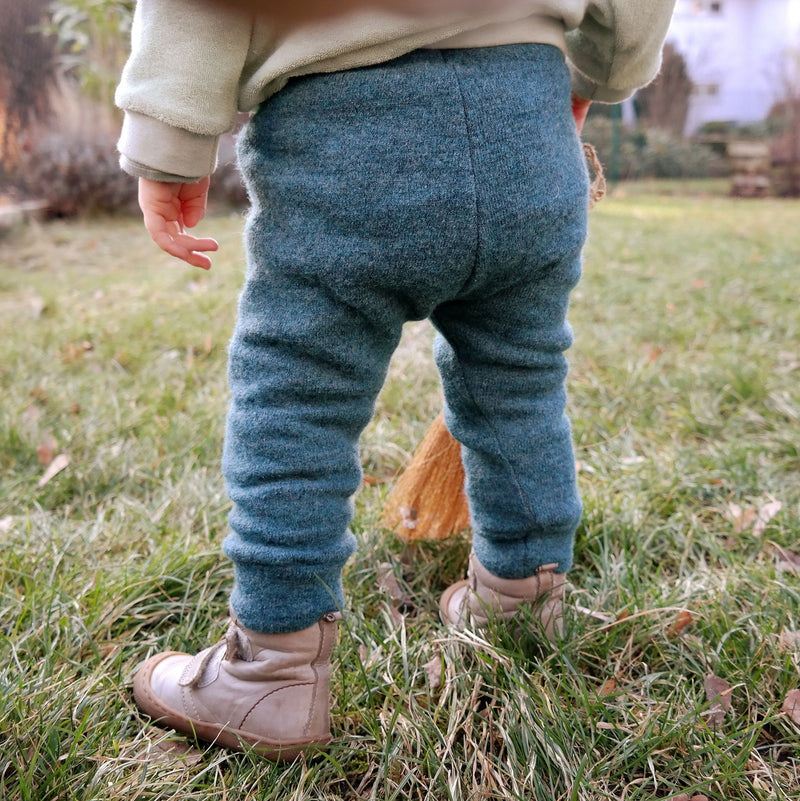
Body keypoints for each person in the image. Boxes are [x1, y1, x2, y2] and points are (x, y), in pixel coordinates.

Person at [117, 0, 677, 760]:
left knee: (299, 395)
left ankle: (271, 670)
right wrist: (601, 73)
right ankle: (522, 599)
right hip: (528, 120)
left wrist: (170, 144)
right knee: (519, 377)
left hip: (345, 137)